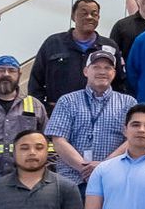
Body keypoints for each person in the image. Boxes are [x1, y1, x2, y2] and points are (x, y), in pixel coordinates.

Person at [44, 49, 135, 186]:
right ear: (86, 71)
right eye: (96, 67)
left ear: (114, 73)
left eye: (107, 68)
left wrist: (103, 167)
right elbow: (58, 139)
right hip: (72, 180)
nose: (102, 72)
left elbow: (132, 140)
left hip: (113, 180)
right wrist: (83, 167)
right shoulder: (67, 101)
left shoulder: (129, 103)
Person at [28, 0, 122, 111]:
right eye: (84, 13)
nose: (89, 17)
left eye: (94, 14)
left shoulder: (110, 46)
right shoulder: (53, 43)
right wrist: (44, 108)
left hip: (99, 113)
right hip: (57, 112)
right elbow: (35, 81)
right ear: (73, 16)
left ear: (98, 18)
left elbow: (119, 82)